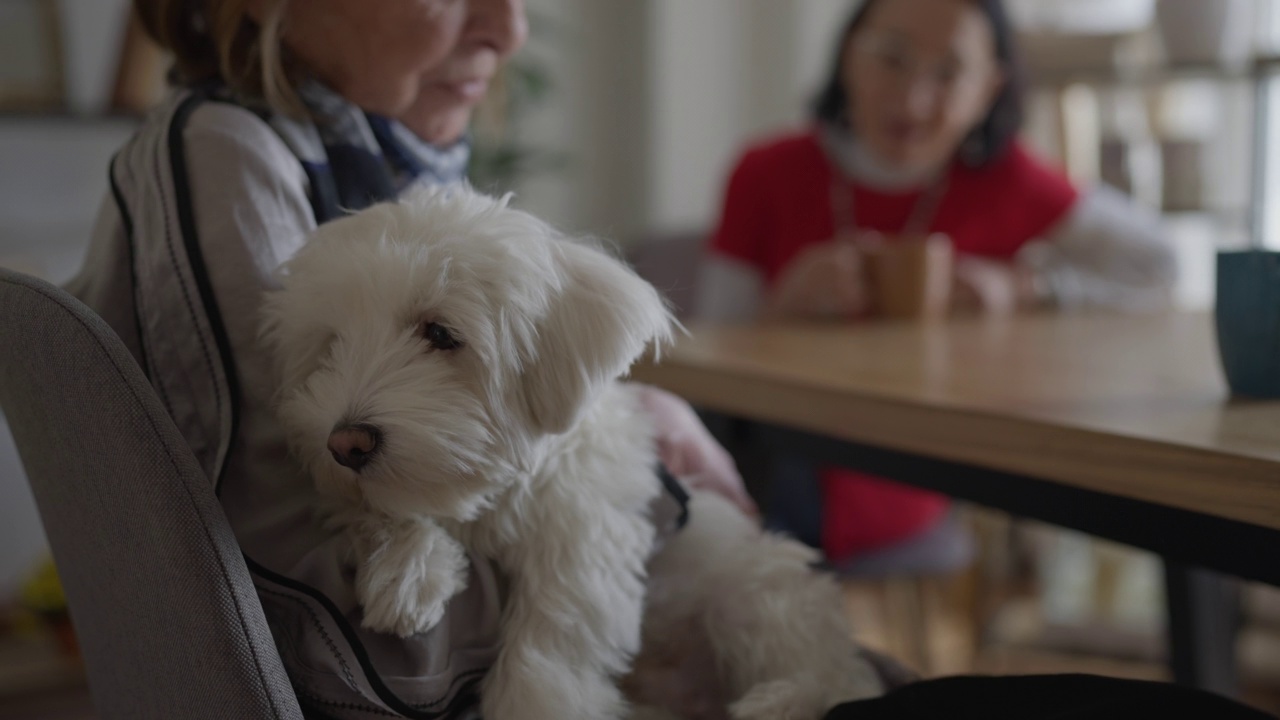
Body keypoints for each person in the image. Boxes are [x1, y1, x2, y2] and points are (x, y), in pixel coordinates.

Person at [64, 0, 753, 716]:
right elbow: (331, 619)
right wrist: (652, 520)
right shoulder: (228, 159)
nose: (509, 30)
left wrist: (628, 422)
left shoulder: (356, 159)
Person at [697, 0, 1178, 568]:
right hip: (771, 451)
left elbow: (1159, 263)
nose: (913, 97)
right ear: (849, 52)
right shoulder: (765, 170)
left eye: (948, 74)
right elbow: (705, 345)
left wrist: (1027, 286)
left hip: (907, 472)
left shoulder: (1006, 180)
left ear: (988, 89)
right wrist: (781, 306)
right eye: (891, 57)